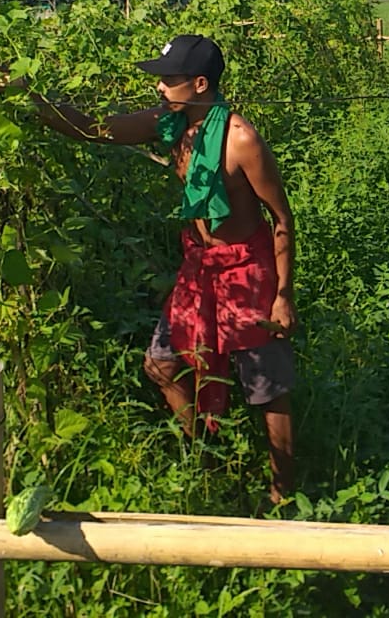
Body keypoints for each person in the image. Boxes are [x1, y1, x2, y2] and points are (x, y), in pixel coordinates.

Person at [21, 34, 298, 507]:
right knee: (163, 363)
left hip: (247, 271)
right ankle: (208, 462)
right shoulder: (171, 124)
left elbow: (282, 218)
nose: (159, 87)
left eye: (169, 79)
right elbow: (96, 128)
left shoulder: (240, 139)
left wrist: (282, 295)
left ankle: (283, 494)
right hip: (200, 267)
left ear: (200, 83)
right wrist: (34, 102)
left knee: (266, 386)